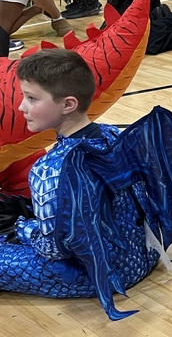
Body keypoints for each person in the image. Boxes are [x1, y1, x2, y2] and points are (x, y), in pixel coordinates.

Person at [0, 50, 163, 303]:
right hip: (145, 253)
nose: (22, 107)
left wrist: (23, 228)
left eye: (32, 98)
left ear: (68, 104)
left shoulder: (49, 169)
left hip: (97, 274)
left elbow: (53, 249)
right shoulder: (115, 136)